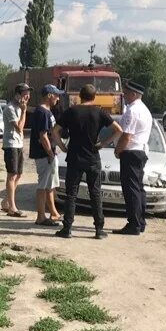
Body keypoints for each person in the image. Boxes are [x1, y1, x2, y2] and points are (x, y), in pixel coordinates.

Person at [52, 84, 123, 240]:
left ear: (80, 96)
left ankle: (67, 228)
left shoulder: (71, 112)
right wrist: (103, 144)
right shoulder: (99, 112)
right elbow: (118, 130)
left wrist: (63, 147)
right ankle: (98, 229)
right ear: (94, 97)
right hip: (92, 158)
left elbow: (54, 131)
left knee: (71, 194)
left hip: (75, 157)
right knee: (95, 193)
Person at [113, 80, 153, 235]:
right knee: (138, 189)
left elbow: (126, 136)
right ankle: (140, 222)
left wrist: (118, 150)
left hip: (131, 153)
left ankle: (134, 224)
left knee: (131, 190)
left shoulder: (133, 111)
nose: (124, 94)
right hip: (140, 152)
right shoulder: (144, 109)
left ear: (134, 94)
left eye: (127, 92)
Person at [30, 84, 64, 226]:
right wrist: (50, 153)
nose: (58, 98)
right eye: (56, 95)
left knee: (49, 185)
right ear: (49, 95)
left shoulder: (47, 111)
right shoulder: (42, 112)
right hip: (44, 155)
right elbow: (43, 136)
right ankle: (40, 217)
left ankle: (54, 212)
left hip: (49, 153)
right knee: (43, 185)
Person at [1, 83, 31, 217]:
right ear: (18, 95)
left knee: (18, 174)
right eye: (25, 94)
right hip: (11, 144)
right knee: (12, 174)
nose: (27, 97)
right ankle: (12, 208)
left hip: (19, 144)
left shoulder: (20, 107)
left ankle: (6, 202)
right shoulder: (10, 108)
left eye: (28, 94)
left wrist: (23, 109)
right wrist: (24, 111)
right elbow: (19, 127)